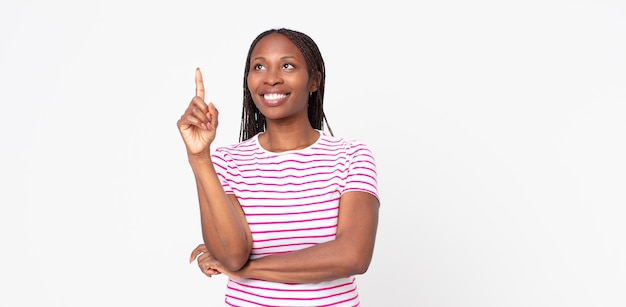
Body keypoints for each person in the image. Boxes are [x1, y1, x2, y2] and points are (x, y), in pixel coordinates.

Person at [176, 28, 380, 306]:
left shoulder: (350, 156)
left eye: (287, 65)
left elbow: (352, 256)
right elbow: (232, 254)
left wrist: (247, 270)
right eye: (259, 66)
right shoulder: (227, 162)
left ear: (314, 81)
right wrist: (199, 158)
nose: (271, 78)